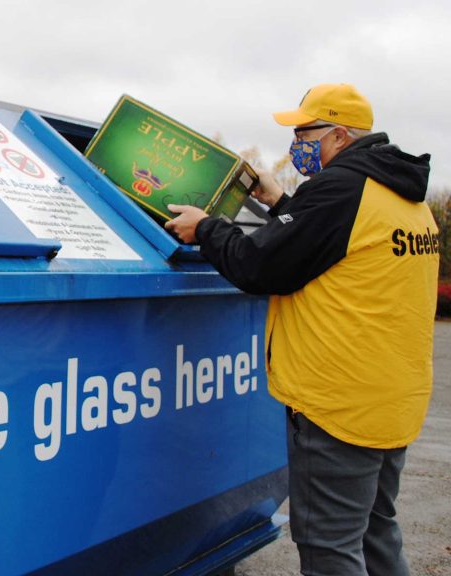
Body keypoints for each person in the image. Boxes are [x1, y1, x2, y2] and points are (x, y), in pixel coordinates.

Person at [165, 83, 439, 576]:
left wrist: (205, 228)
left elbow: (261, 266)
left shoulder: (341, 189)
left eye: (304, 131)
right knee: (376, 531)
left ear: (338, 135)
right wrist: (282, 202)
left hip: (339, 405)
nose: (297, 143)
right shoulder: (402, 193)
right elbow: (334, 246)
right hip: (391, 399)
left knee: (329, 545)